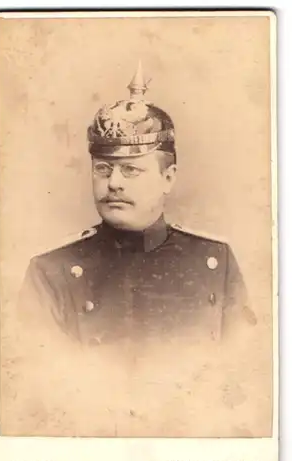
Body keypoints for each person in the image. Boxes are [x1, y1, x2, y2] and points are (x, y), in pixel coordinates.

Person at [19, 62, 254, 346]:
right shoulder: (51, 272)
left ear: (168, 178)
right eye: (103, 169)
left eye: (130, 170)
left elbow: (241, 372)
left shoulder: (216, 261)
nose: (114, 182)